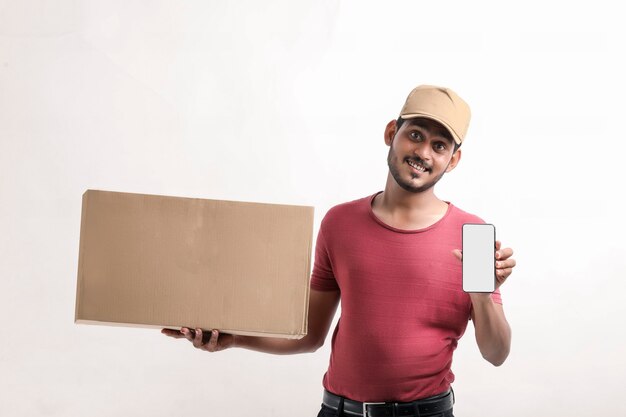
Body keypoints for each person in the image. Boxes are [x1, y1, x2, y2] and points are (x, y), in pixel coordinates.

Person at [162, 85, 516, 417]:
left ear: (453, 160)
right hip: (338, 411)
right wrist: (232, 338)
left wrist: (484, 296)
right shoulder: (340, 223)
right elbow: (310, 335)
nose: (423, 153)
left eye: (439, 146)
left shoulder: (473, 236)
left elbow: (497, 354)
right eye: (416, 135)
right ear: (392, 133)